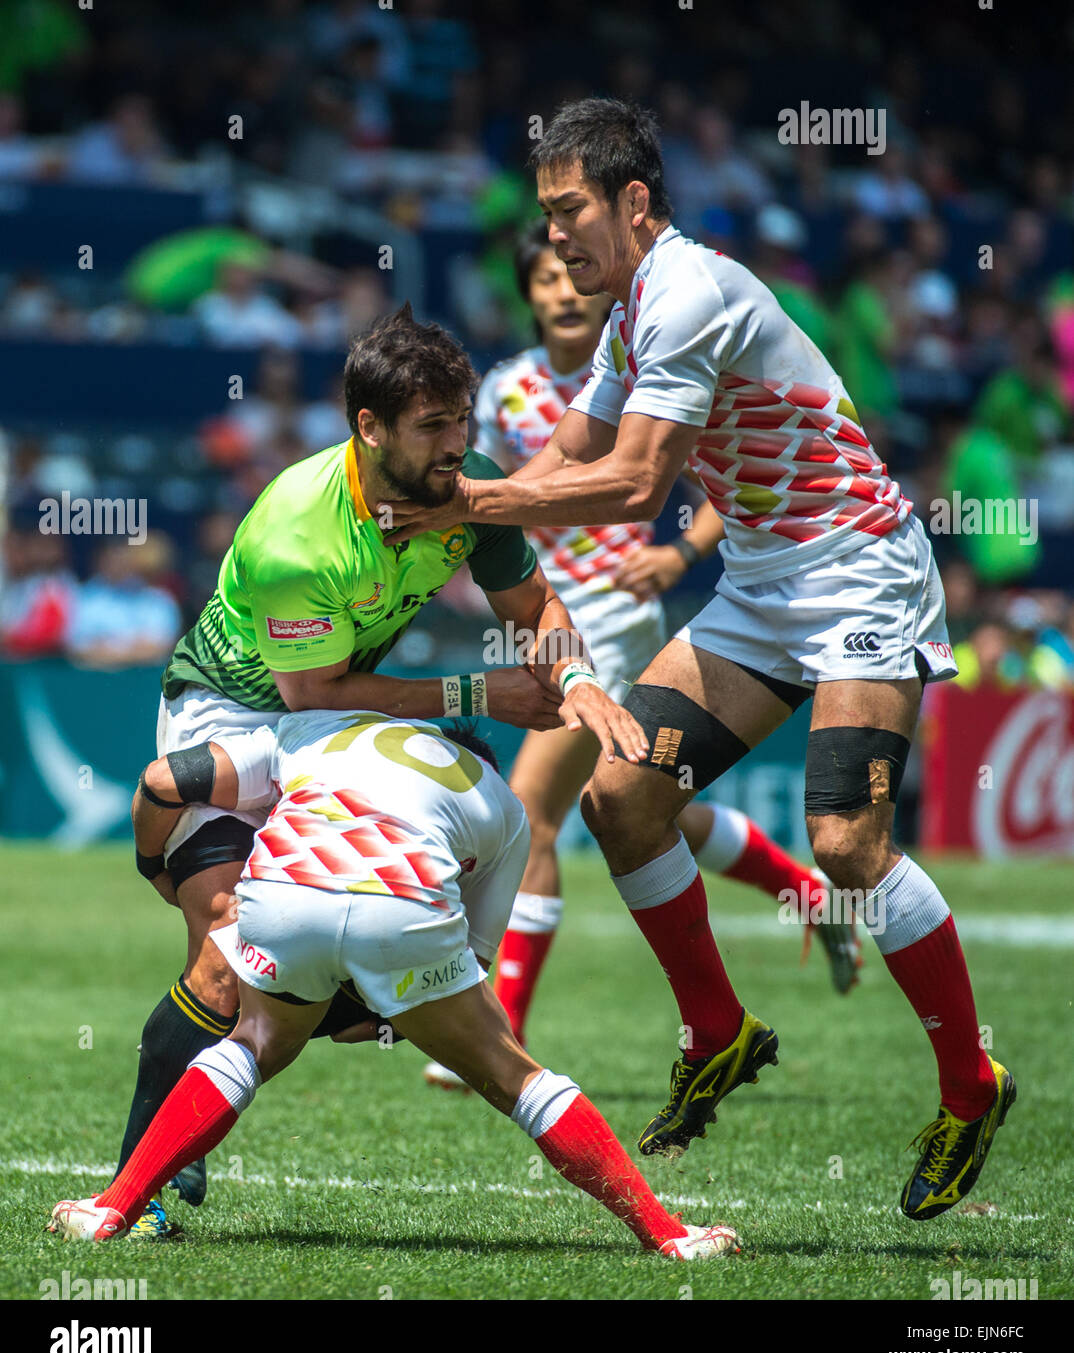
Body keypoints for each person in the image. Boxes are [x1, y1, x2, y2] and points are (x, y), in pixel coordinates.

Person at [383, 99, 1015, 1222]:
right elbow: (577, 445)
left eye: (570, 211)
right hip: (766, 588)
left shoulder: (689, 292)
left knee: (848, 843)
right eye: (543, 216)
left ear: (634, 202)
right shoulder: (631, 309)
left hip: (861, 566)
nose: (555, 237)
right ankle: (719, 1030)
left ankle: (972, 1087)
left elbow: (634, 482)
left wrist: (471, 499)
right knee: (624, 800)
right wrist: (469, 489)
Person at [117, 303, 646, 1237]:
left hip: (332, 715)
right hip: (233, 711)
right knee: (222, 963)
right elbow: (314, 691)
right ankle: (139, 1183)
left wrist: (572, 678)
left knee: (315, 972)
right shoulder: (297, 536)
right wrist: (477, 695)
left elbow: (536, 600)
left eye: (463, 421)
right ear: (369, 428)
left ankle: (349, 1012)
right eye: (433, 426)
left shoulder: (465, 491)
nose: (458, 446)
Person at [49, 712, 738, 1262]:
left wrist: (160, 873)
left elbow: (175, 778)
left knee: (251, 1042)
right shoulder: (503, 804)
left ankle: (111, 1207)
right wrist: (382, 1019)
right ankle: (667, 1234)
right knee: (512, 1074)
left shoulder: (320, 727)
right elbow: (470, 955)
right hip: (403, 906)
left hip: (287, 887)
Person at [424, 224, 857, 1090]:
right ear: (530, 295)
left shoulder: (650, 350)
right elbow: (493, 495)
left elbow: (712, 476)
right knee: (643, 801)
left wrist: (679, 555)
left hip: (614, 616)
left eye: (566, 272)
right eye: (540, 278)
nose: (559, 289)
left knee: (536, 813)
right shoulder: (508, 392)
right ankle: (807, 892)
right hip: (543, 617)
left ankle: (500, 1033)